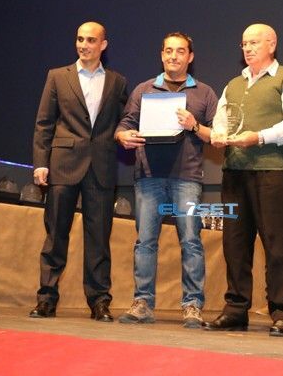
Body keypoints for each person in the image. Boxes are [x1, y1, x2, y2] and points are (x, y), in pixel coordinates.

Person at [203, 23, 283, 336]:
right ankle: (236, 309)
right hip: (234, 171)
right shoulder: (233, 84)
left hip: (274, 171)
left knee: (278, 244)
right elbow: (221, 121)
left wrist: (259, 137)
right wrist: (219, 135)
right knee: (234, 243)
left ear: (271, 45)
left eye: (254, 43)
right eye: (244, 44)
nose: (247, 49)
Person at [114, 32, 218, 328]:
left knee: (191, 241)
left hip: (187, 178)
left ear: (190, 57)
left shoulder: (204, 93)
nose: (174, 56)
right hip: (148, 177)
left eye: (180, 51)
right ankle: (143, 303)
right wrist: (123, 136)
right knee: (145, 242)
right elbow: (124, 126)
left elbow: (217, 135)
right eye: (169, 51)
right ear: (162, 55)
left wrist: (194, 125)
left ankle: (192, 305)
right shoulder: (144, 89)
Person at [29, 21, 128, 322]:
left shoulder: (117, 82)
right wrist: (41, 162)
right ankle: (46, 299)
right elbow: (44, 123)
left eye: (91, 40)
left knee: (99, 239)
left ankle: (99, 301)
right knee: (55, 235)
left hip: (101, 167)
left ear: (103, 45)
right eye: (80, 39)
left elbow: (124, 122)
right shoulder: (58, 76)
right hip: (63, 165)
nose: (84, 45)